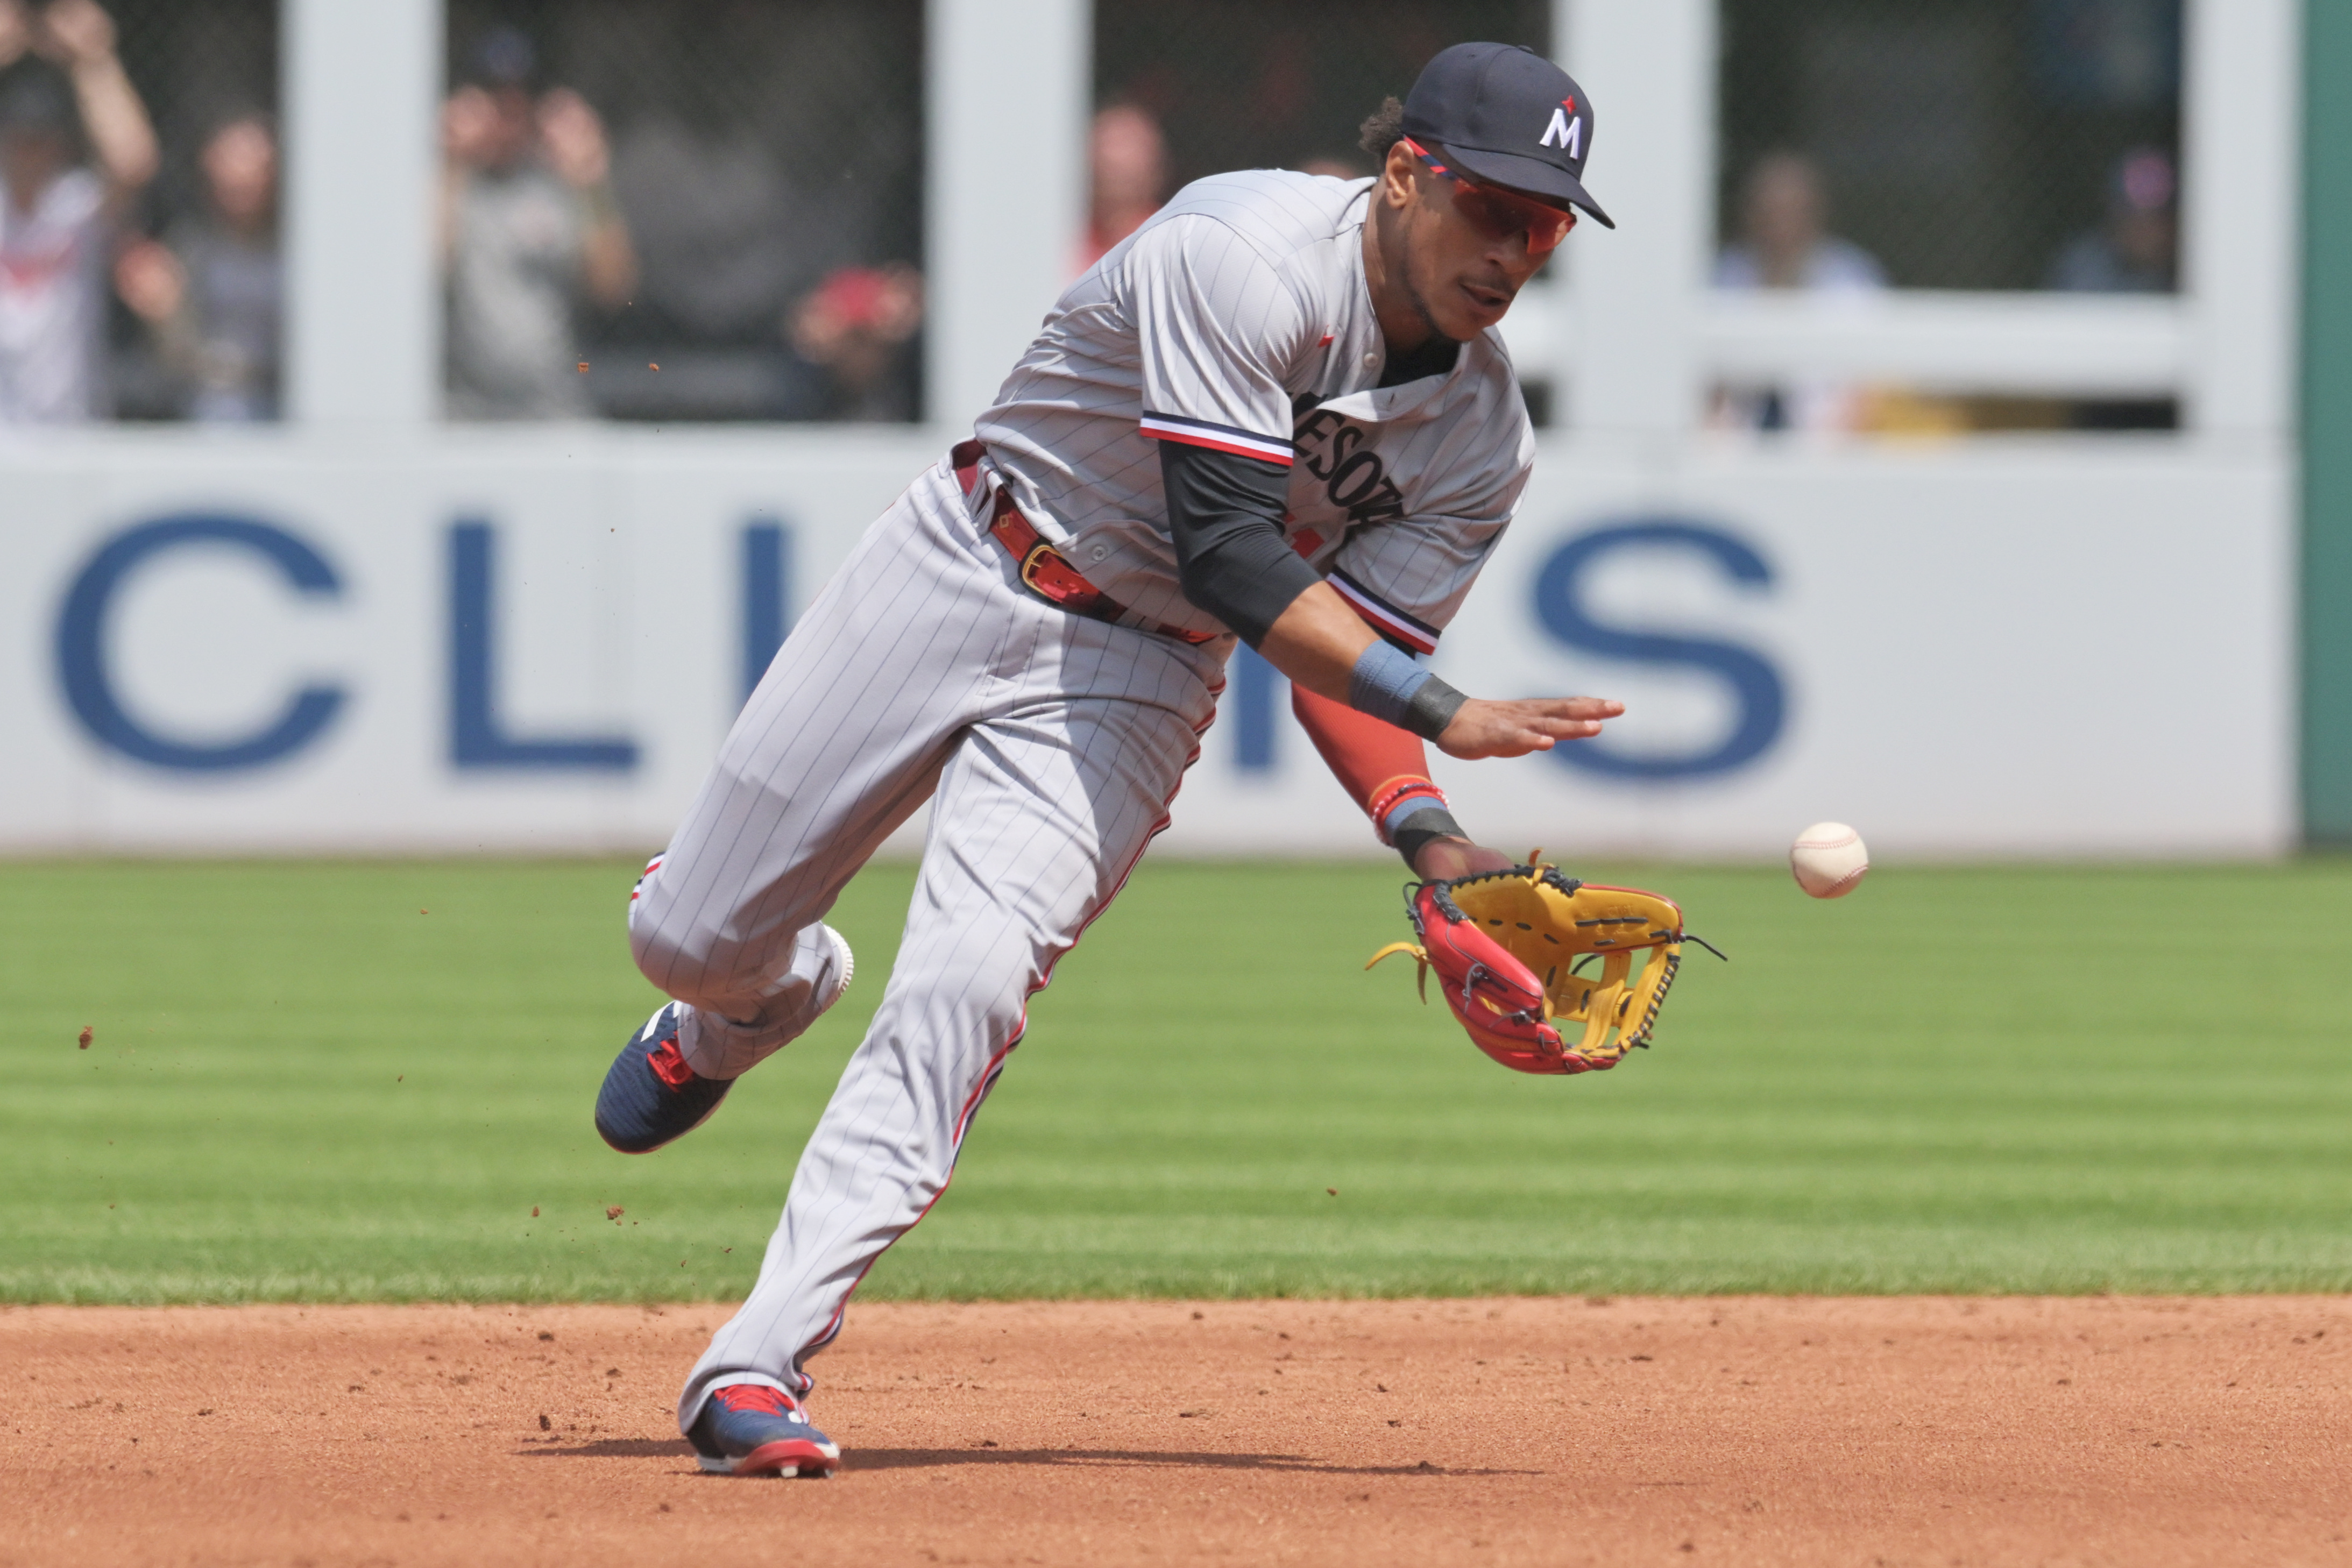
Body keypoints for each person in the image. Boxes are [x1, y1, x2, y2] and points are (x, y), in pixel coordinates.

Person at [596, 41, 1623, 1479]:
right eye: (1492, 207)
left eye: (1549, 224)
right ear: (1405, 175)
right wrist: (1448, 707)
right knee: (686, 939)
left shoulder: (1478, 442)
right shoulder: (1242, 253)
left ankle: (755, 1359)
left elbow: (1319, 651)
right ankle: (741, 1009)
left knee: (965, 982)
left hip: (1141, 672)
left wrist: (1435, 855)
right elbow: (1234, 546)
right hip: (969, 553)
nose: (1515, 250)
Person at [440, 27, 635, 420]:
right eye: (495, 101)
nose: (508, 115)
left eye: (520, 99)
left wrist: (590, 182)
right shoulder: (450, 187)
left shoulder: (559, 187)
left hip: (555, 405)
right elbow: (426, 269)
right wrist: (452, 159)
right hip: (463, 406)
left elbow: (615, 289)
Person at [0, 0, 154, 424]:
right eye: (18, 140)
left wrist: (94, 61)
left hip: (71, 429)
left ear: (60, 145)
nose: (28, 154)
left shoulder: (74, 206)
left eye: (40, 140)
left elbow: (133, 162)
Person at [113, 112, 281, 422]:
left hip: (289, 403)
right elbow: (174, 359)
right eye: (229, 166)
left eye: (253, 166)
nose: (240, 178)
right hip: (209, 409)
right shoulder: (191, 248)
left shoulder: (303, 253)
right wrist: (165, 316)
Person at [1710, 150, 1884, 433]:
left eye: (1793, 208)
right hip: (1734, 440)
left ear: (1816, 211)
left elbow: (1869, 387)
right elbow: (1708, 388)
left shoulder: (1851, 277)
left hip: (1827, 442)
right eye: (1769, 208)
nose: (1780, 220)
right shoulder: (1723, 275)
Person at [2047, 147, 2176, 295]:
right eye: (2134, 217)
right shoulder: (2083, 269)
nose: (2146, 232)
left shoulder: (2196, 271)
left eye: (2156, 218)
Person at [1078, 102, 1168, 271]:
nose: (1112, 156)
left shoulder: (1169, 240)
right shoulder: (1070, 240)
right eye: (1105, 142)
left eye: (1127, 143)